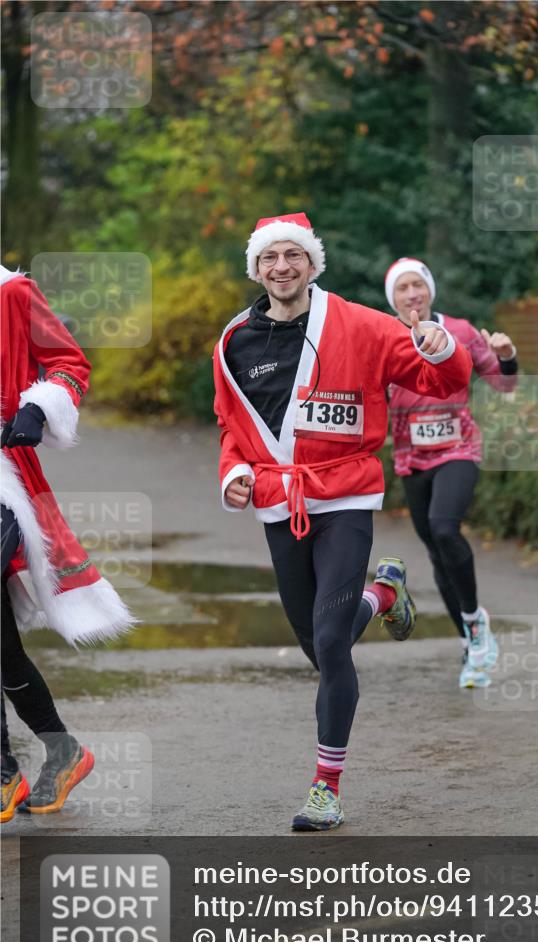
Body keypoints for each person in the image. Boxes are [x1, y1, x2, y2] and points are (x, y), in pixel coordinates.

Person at [213, 214, 472, 831]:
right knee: (317, 647)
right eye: (269, 257)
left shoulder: (359, 324)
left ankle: (326, 788)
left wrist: (442, 345)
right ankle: (382, 592)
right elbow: (232, 429)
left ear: (312, 264)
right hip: (281, 503)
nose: (281, 266)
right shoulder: (232, 342)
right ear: (256, 269)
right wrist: (233, 476)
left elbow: (446, 380)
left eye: (293, 255)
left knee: (331, 646)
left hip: (347, 497)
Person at [0, 265, 135, 824]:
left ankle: (6, 772)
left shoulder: (10, 293)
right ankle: (58, 751)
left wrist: (38, 406)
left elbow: (69, 363)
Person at [384, 258, 518, 689]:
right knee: (437, 553)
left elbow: (502, 385)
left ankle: (476, 624)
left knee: (445, 529)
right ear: (393, 298)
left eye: (417, 285)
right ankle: (472, 644)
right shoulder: (383, 337)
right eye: (402, 288)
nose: (411, 294)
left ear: (430, 291)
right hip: (410, 458)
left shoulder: (459, 330)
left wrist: (507, 358)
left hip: (458, 449)